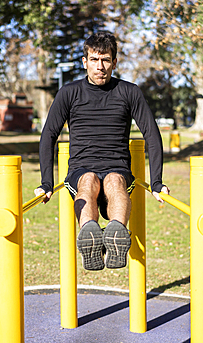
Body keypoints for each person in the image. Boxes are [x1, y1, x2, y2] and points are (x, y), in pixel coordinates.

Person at [34, 32, 169, 271]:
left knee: (115, 180)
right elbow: (49, 136)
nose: (100, 66)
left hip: (117, 168)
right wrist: (46, 182)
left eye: (106, 60)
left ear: (114, 63)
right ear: (85, 62)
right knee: (88, 180)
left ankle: (116, 237)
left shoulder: (129, 92)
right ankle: (91, 239)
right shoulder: (69, 92)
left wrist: (156, 182)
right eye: (94, 60)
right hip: (80, 169)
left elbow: (152, 134)